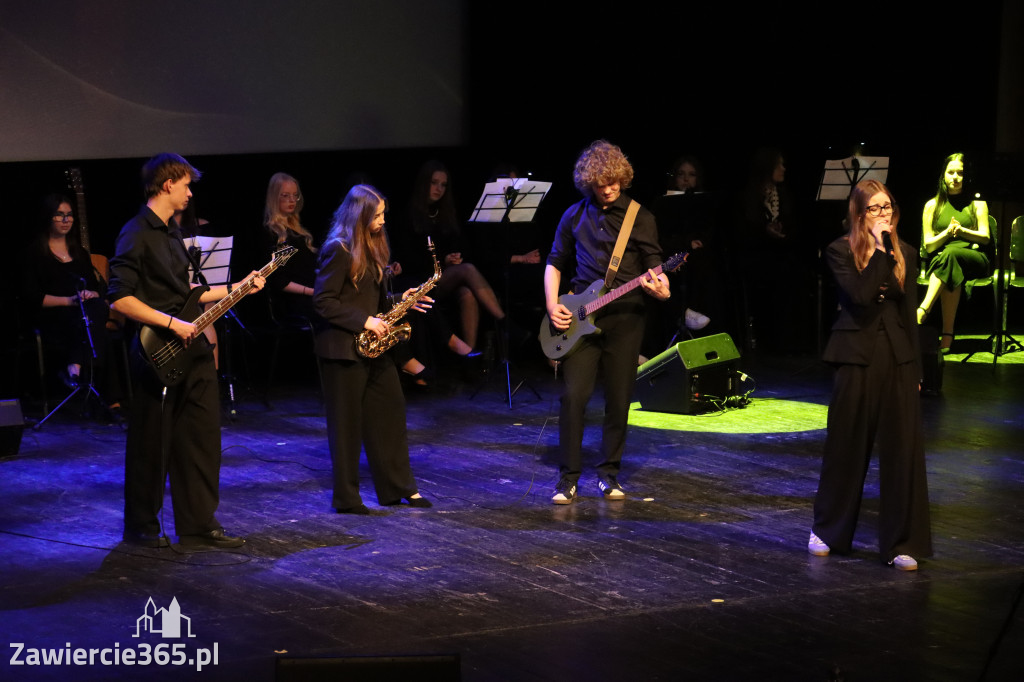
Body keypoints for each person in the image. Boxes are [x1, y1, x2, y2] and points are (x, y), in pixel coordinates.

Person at [108, 153, 265, 549]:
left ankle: (198, 522)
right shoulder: (136, 232)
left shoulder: (172, 232)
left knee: (200, 436)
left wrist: (239, 287)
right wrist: (172, 323)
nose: (190, 192)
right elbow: (120, 300)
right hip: (157, 350)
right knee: (151, 441)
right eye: (186, 184)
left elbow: (188, 296)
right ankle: (141, 526)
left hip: (191, 347)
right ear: (167, 185)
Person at [808, 179, 932, 571]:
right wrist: (880, 252)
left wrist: (917, 367)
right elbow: (859, 300)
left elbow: (908, 313)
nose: (884, 215)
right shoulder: (839, 250)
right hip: (855, 355)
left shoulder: (906, 252)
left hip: (897, 356)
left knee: (902, 452)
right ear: (860, 215)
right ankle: (828, 530)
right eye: (875, 209)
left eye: (888, 208)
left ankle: (902, 543)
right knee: (846, 445)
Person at [545, 140, 670, 504]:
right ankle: (567, 478)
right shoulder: (572, 216)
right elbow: (555, 262)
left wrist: (662, 288)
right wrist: (553, 304)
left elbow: (656, 268)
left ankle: (609, 474)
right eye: (602, 184)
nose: (610, 189)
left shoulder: (641, 217)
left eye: (615, 182)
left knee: (619, 400)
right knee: (574, 397)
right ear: (589, 184)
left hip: (626, 320)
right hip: (581, 319)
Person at [313, 184, 432, 514]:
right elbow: (323, 302)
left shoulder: (374, 245)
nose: (382, 220)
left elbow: (374, 302)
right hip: (341, 348)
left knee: (390, 411)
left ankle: (398, 488)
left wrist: (403, 301)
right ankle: (347, 499)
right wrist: (363, 320)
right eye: (376, 215)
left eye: (382, 214)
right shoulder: (337, 248)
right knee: (347, 425)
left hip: (373, 347)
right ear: (360, 215)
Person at [403, 160, 508, 349]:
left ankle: (467, 355)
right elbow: (408, 259)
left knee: (467, 293)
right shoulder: (410, 214)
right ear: (424, 183)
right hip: (421, 280)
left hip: (446, 278)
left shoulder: (446, 212)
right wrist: (443, 260)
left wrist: (456, 257)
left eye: (443, 185)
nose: (439, 189)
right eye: (434, 183)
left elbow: (461, 245)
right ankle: (504, 322)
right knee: (467, 270)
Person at [21, 194, 112, 394]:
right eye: (59, 215)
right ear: (48, 217)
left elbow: (96, 289)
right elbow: (33, 297)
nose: (65, 220)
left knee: (96, 309)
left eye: (69, 215)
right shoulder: (35, 253)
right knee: (95, 328)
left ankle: (75, 366)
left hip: (84, 312)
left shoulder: (79, 252)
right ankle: (107, 394)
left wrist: (91, 293)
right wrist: (69, 301)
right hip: (54, 314)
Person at [917, 153, 990, 352]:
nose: (955, 177)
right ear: (943, 175)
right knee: (949, 263)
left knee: (949, 258)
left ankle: (923, 309)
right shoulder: (932, 206)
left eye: (960, 173)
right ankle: (947, 334)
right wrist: (947, 234)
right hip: (946, 260)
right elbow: (929, 246)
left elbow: (985, 237)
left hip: (974, 259)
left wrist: (962, 232)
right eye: (951, 172)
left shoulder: (977, 203)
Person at [262, 172, 318, 320]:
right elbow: (279, 282)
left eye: (295, 195)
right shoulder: (272, 234)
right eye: (285, 196)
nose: (292, 200)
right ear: (274, 198)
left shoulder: (299, 230)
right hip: (293, 303)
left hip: (311, 295)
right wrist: (311, 291)